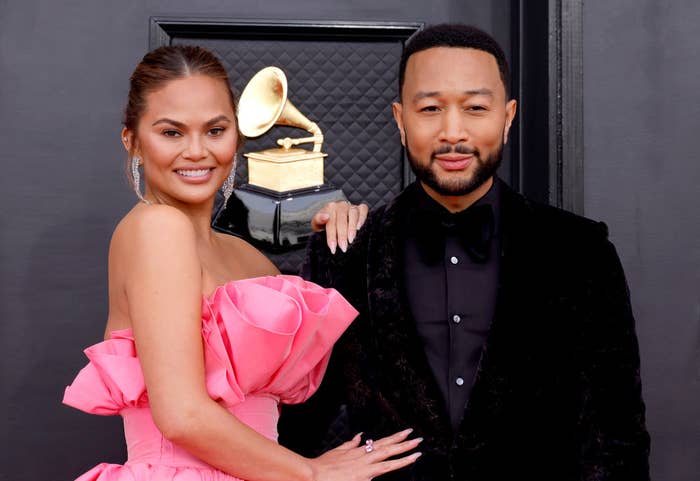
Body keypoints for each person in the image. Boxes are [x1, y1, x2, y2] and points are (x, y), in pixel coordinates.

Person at [279, 24, 650, 480]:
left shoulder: (581, 251)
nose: (452, 132)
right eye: (430, 108)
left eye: (476, 108)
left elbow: (617, 436)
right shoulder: (345, 250)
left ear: (508, 116)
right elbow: (294, 420)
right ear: (400, 119)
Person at [62, 45, 423, 481]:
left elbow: (304, 391)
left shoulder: (245, 256)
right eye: (171, 133)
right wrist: (310, 474)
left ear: (237, 135)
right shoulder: (157, 229)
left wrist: (345, 236)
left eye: (215, 130)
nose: (196, 151)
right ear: (132, 141)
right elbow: (180, 415)